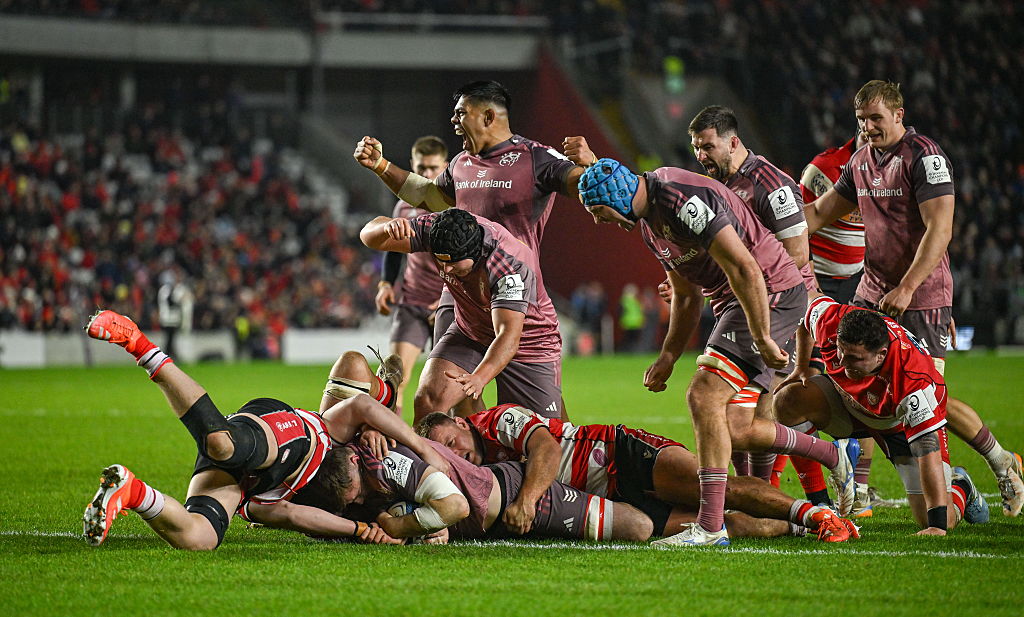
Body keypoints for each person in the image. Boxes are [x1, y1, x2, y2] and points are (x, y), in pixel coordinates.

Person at [571, 155, 860, 547]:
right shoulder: (650, 226)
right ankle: (832, 454)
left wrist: (761, 336)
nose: (596, 220)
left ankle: (710, 526)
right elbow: (687, 297)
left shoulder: (679, 198)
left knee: (704, 394)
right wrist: (668, 357)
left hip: (767, 292)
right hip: (738, 303)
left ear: (617, 196)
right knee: (738, 429)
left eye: (596, 211)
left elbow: (744, 268)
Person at [803, 80, 1023, 517]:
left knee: (928, 400)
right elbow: (817, 214)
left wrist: (906, 286)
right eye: (862, 120)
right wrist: (766, 235)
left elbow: (941, 229)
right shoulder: (861, 161)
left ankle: (999, 462)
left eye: (876, 119)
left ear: (899, 114)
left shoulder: (925, 156)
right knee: (856, 386)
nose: (868, 128)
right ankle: (864, 486)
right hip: (872, 294)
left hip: (921, 298)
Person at [80, 309, 449, 549]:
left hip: (245, 480)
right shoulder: (324, 437)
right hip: (277, 429)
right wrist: (416, 440)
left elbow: (298, 517)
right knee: (222, 445)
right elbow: (357, 394)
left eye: (354, 501)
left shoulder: (271, 507)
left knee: (199, 538)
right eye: (357, 494)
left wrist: (358, 530)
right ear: (352, 456)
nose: (357, 498)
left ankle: (131, 492)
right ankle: (139, 345)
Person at [353, 80, 589, 417]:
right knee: (435, 399)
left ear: (489, 116)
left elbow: (581, 186)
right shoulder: (461, 164)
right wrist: (381, 166)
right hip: (461, 297)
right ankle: (460, 466)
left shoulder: (535, 158)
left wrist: (592, 165)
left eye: (461, 113)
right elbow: (426, 196)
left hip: (513, 294)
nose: (453, 120)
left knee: (539, 424)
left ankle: (564, 455)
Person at [416, 406, 859, 544]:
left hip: (617, 454)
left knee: (721, 491)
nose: (457, 453)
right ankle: (798, 526)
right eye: (448, 453)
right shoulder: (475, 469)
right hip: (611, 498)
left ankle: (819, 514)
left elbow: (546, 447)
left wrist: (527, 500)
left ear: (459, 422)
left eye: (451, 441)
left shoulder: (495, 420)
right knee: (723, 525)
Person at [774, 293, 990, 535]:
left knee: (936, 518)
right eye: (840, 351)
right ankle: (820, 506)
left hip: (897, 425)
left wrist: (937, 527)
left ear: (882, 354)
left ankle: (961, 486)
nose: (843, 362)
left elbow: (927, 450)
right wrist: (801, 367)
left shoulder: (911, 379)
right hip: (849, 403)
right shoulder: (832, 320)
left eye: (855, 358)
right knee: (787, 400)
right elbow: (805, 320)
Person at [686, 105, 816, 483]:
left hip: (778, 307)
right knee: (744, 414)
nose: (701, 155)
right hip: (741, 306)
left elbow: (797, 253)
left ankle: (782, 487)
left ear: (733, 142)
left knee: (751, 414)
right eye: (696, 147)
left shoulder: (769, 183)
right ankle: (759, 495)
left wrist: (748, 283)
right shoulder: (719, 185)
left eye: (708, 146)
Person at [361, 208, 563, 423]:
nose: (446, 270)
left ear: (475, 253)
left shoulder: (508, 263)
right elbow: (368, 235)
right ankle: (429, 456)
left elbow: (508, 335)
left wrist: (479, 377)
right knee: (429, 401)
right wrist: (386, 228)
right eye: (441, 262)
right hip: (471, 330)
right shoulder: (438, 230)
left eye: (453, 263)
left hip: (529, 342)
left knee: (539, 431)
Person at [294, 439, 654, 543]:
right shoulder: (348, 481)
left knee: (639, 528)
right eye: (351, 502)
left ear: (357, 463)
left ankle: (692, 517)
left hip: (515, 494)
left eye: (356, 494)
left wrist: (400, 528)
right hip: (493, 523)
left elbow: (455, 506)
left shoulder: (387, 461)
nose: (359, 502)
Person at [784, 131, 879, 516]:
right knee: (802, 382)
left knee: (862, 384)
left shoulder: (889, 171)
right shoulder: (823, 169)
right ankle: (821, 487)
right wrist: (808, 280)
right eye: (865, 122)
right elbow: (799, 227)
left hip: (859, 284)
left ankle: (861, 490)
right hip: (819, 281)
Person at [374, 136, 449, 415]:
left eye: (432, 168)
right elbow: (394, 251)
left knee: (444, 390)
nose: (427, 174)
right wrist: (385, 285)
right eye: (421, 168)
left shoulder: (453, 206)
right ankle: (395, 447)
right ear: (411, 166)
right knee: (392, 380)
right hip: (412, 303)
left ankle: (446, 451)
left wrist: (447, 299)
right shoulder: (404, 207)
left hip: (448, 308)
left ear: (445, 166)